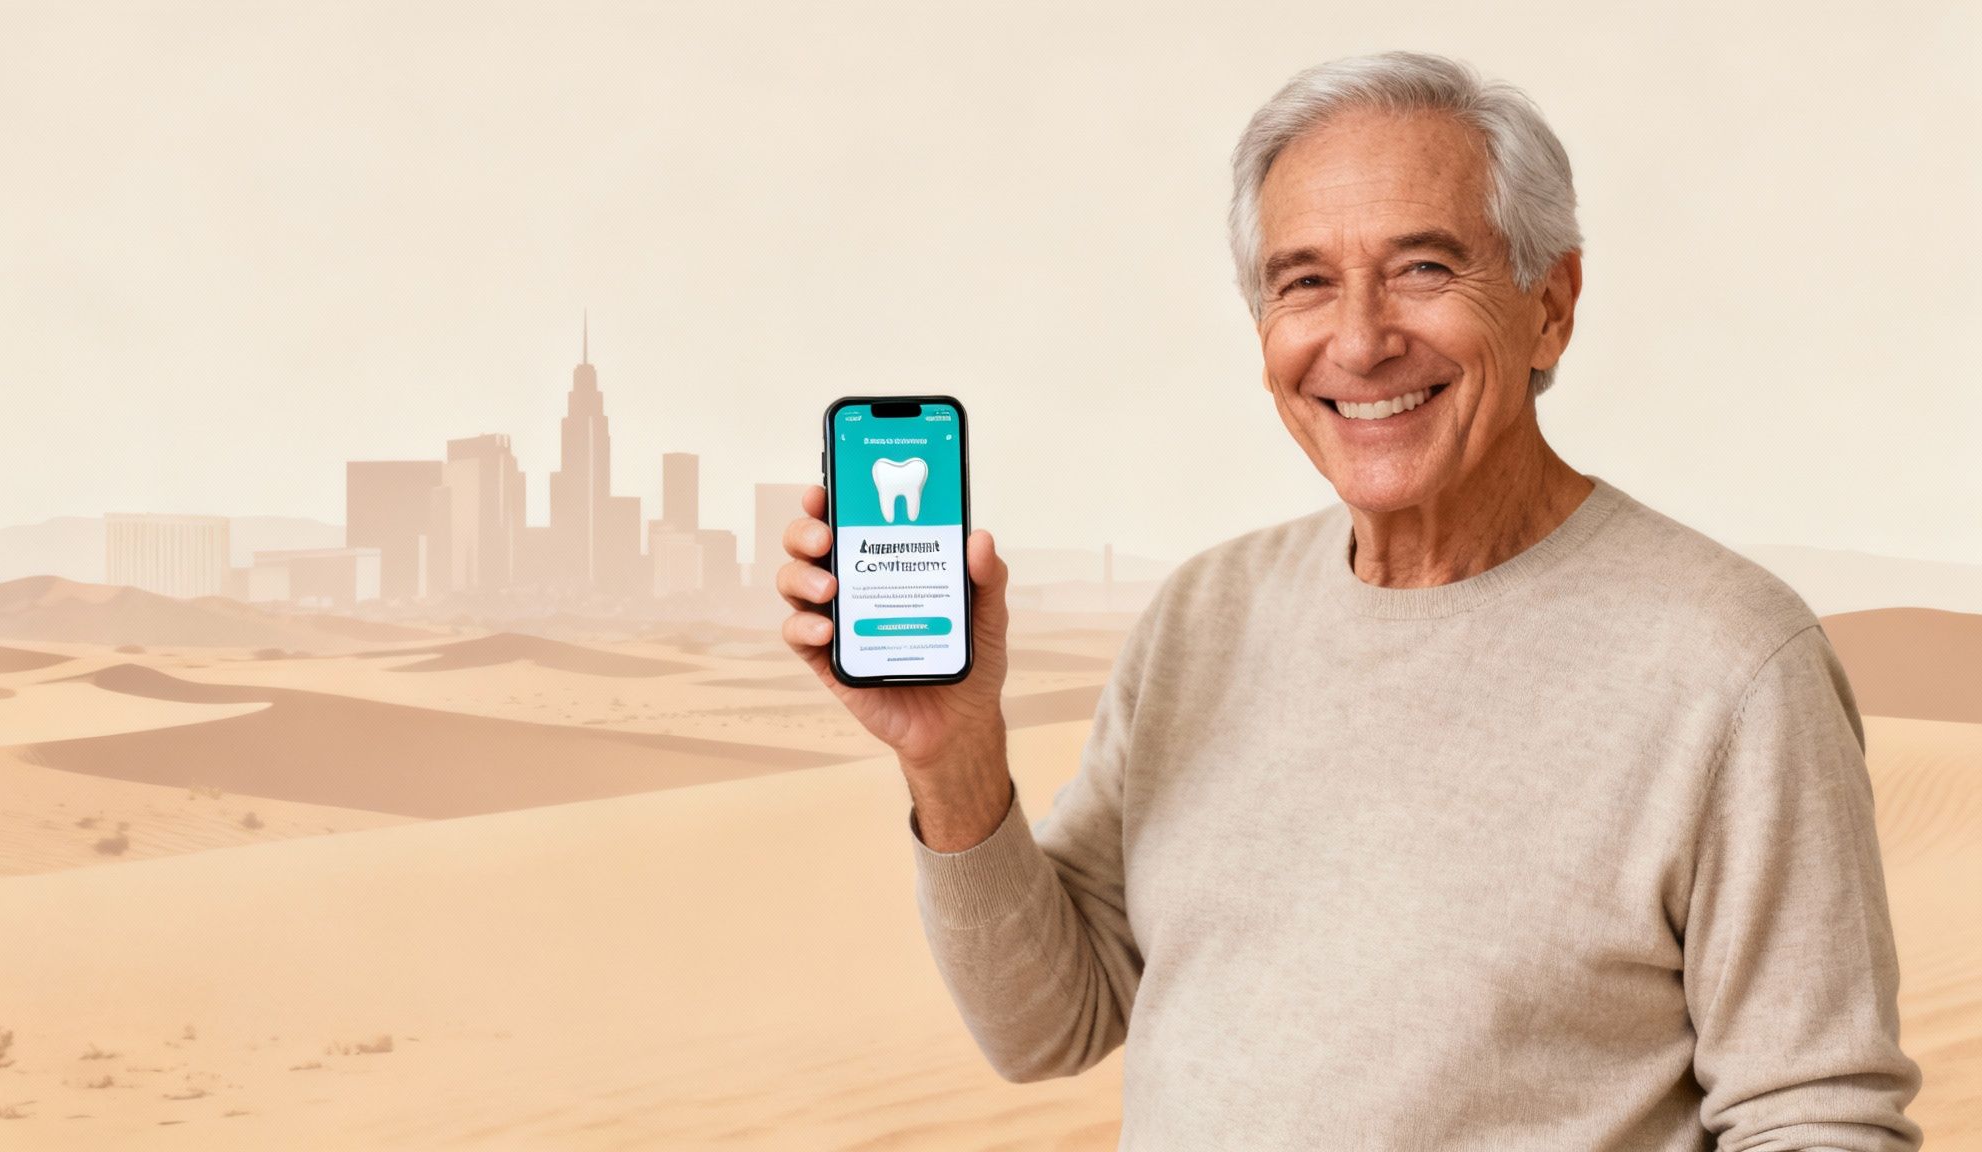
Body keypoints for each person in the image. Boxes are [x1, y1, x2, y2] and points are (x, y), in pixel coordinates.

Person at [775, 49, 1922, 1151]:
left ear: (1550, 305)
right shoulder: (1200, 617)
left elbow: (1816, 1121)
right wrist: (950, 755)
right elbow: (1047, 1025)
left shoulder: (1728, 665)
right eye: (1304, 282)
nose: (1360, 340)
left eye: (1423, 268)